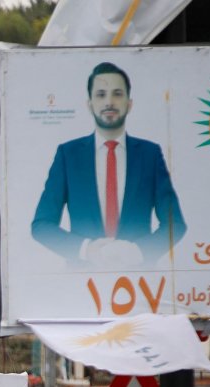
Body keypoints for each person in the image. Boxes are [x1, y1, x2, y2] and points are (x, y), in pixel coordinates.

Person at [30, 62, 186, 267]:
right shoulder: (68, 155)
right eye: (101, 94)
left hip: (140, 282)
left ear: (129, 104)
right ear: (90, 104)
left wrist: (138, 251)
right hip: (82, 284)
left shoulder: (150, 155)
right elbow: (41, 225)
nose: (109, 102)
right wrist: (86, 249)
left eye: (117, 94)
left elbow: (175, 224)